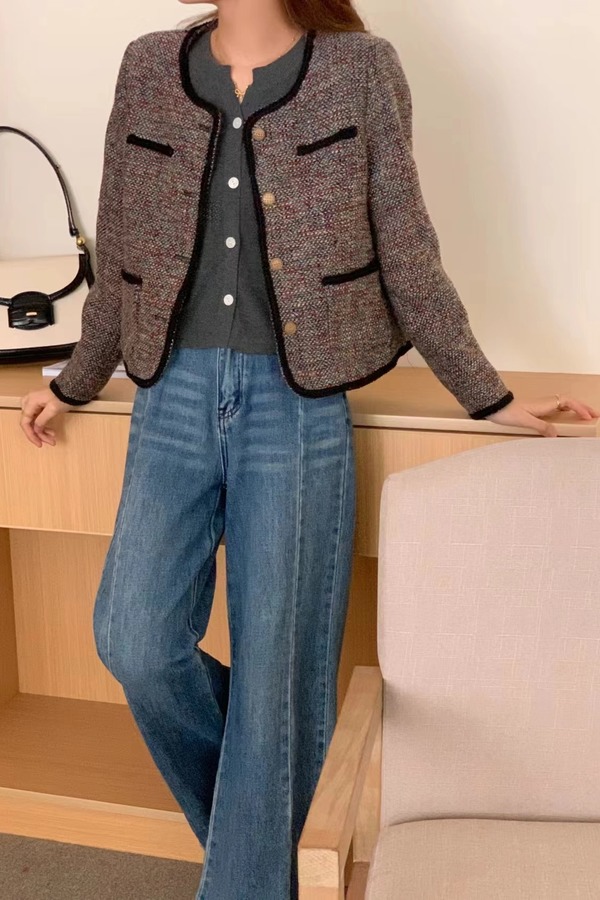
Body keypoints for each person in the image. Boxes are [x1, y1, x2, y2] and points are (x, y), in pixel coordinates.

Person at [18, 1, 599, 898]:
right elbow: (121, 240)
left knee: (277, 683)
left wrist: (487, 393)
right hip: (169, 393)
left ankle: (251, 870)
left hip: (297, 404)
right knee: (134, 640)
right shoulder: (147, 65)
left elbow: (406, 245)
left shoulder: (361, 70)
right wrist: (76, 381)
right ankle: (270, 832)